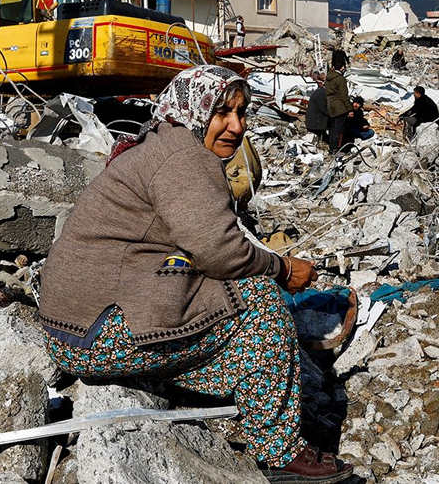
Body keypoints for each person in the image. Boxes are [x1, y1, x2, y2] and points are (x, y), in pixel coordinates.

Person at [37, 65, 354, 483]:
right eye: (222, 113)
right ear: (195, 109)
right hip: (94, 335)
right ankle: (278, 452)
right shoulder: (185, 159)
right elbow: (221, 252)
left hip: (72, 329)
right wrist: (281, 268)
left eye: (242, 113)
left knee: (212, 295)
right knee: (259, 303)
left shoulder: (161, 142)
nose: (236, 126)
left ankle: (221, 385)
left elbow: (201, 242)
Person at [324, 50, 351, 152]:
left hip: (330, 105)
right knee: (339, 130)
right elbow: (344, 96)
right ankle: (336, 149)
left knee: (333, 129)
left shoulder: (328, 78)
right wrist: (350, 109)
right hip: (340, 107)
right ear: (342, 66)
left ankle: (332, 148)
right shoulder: (340, 79)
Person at [305, 74, 329, 146]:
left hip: (316, 120)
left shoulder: (320, 92)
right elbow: (324, 108)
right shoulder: (321, 93)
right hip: (316, 122)